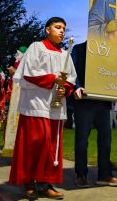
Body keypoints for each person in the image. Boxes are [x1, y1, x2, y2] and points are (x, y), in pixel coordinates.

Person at [9, 17, 76, 200]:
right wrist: (54, 79)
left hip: (55, 106)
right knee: (34, 144)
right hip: (36, 104)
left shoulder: (65, 54)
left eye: (64, 28)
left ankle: (46, 183)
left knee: (51, 146)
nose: (61, 31)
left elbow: (71, 78)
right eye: (57, 27)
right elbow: (29, 72)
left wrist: (66, 88)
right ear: (47, 29)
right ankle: (29, 181)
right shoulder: (36, 47)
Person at [72, 41, 117, 188]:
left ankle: (104, 175)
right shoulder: (79, 48)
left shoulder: (110, 50)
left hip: (102, 101)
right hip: (84, 100)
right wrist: (76, 87)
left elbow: (114, 73)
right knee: (82, 139)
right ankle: (81, 175)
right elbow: (72, 70)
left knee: (106, 139)